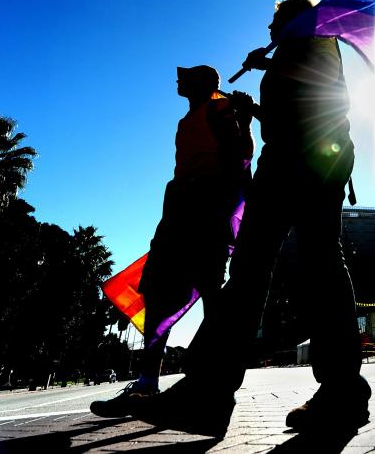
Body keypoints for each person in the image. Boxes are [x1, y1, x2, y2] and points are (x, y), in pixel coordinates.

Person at [132, 0, 369, 437]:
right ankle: (335, 391)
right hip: (299, 154)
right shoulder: (295, 47)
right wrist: (252, 109)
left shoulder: (314, 37)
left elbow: (321, 92)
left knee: (267, 267)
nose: (270, 28)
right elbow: (290, 111)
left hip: (308, 156)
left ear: (291, 19)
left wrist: (267, 65)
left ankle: (213, 390)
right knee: (279, 265)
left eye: (274, 22)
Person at [91, 65, 253, 418]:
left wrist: (245, 121)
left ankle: (213, 385)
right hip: (178, 209)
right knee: (158, 292)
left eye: (187, 77)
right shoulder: (188, 120)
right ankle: (148, 384)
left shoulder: (221, 110)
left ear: (204, 84)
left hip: (206, 207)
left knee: (210, 288)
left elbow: (241, 154)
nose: (178, 81)